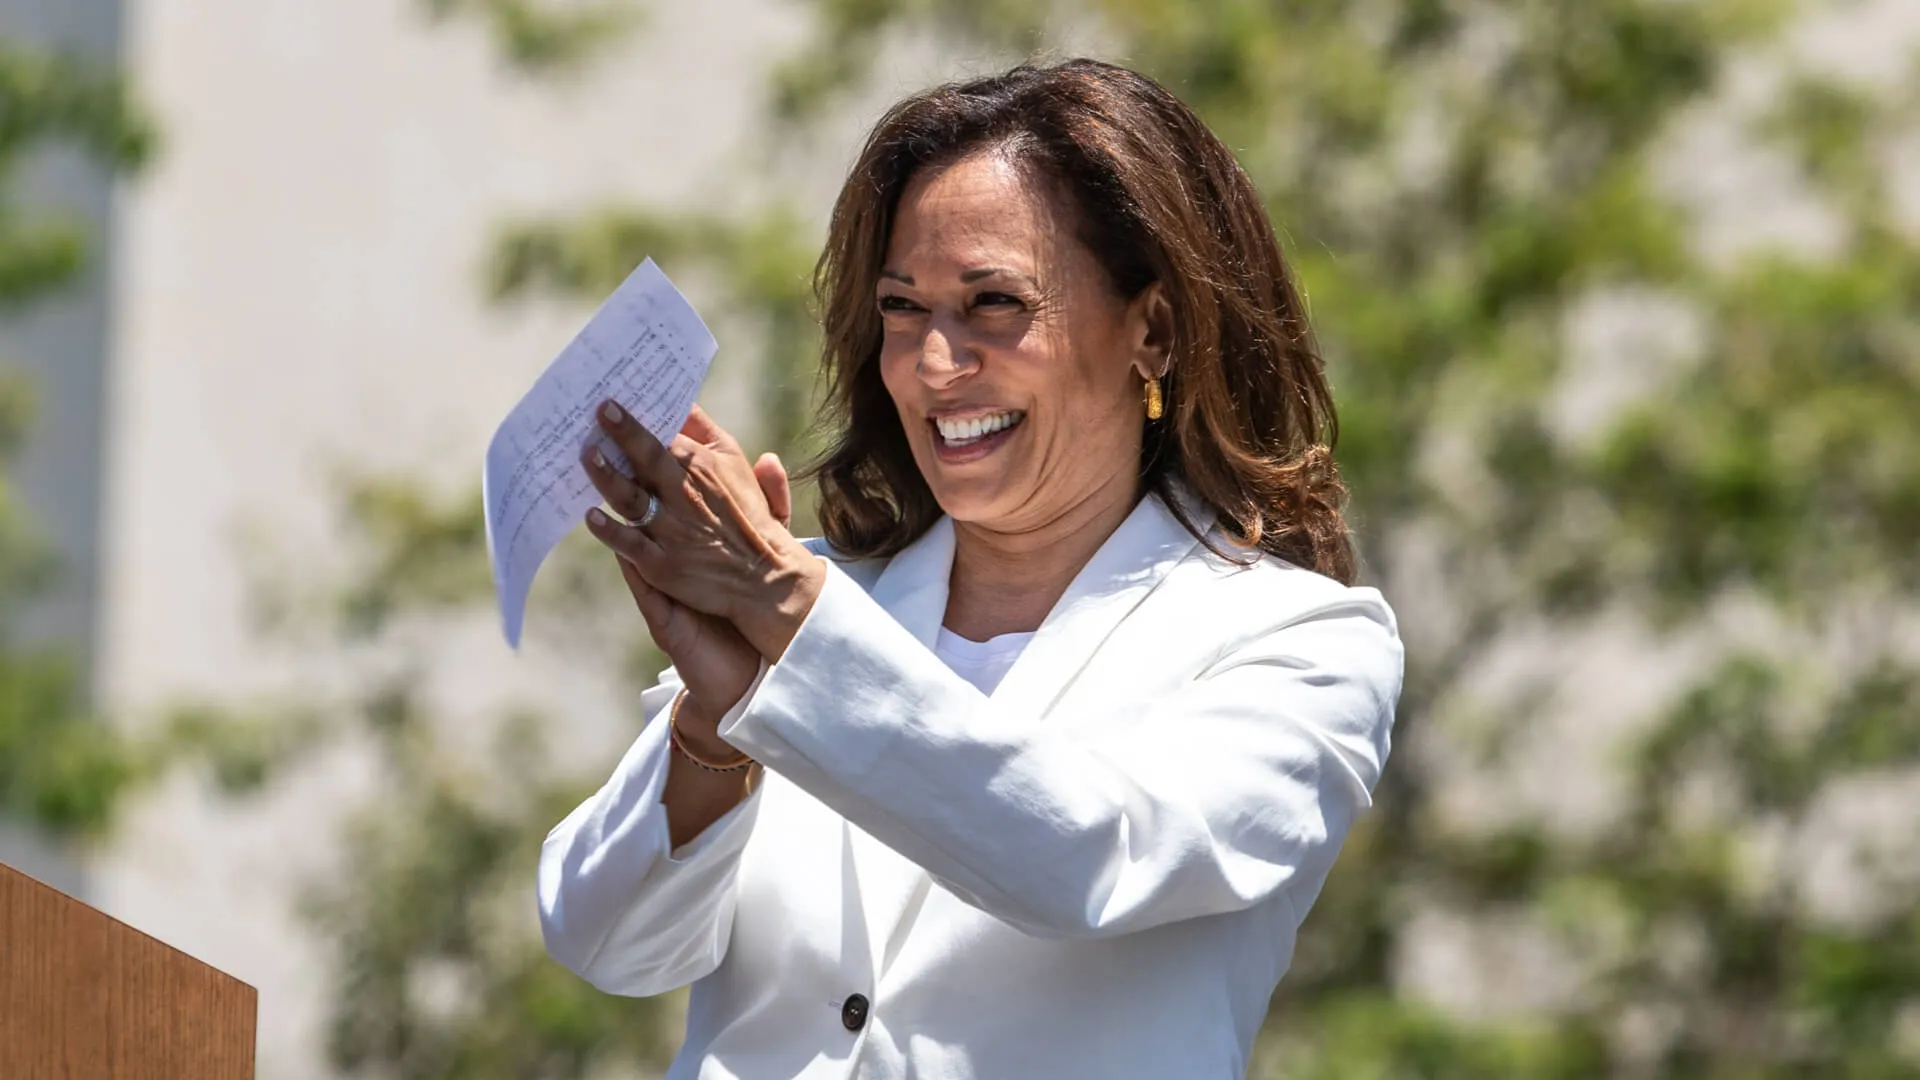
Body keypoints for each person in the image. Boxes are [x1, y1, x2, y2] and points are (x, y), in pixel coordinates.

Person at [538, 58, 1403, 1079]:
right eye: (903, 308)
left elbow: (1087, 857)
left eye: (994, 302)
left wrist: (790, 619)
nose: (933, 365)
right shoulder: (819, 605)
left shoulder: (1298, 643)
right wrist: (712, 730)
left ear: (1153, 330)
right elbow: (605, 943)